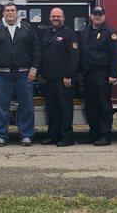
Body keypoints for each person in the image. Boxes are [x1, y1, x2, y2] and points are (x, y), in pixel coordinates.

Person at [0, 3, 41, 147]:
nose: (10, 13)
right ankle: (1, 136)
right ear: (3, 13)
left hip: (24, 74)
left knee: (26, 106)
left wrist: (33, 69)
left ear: (17, 13)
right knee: (1, 106)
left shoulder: (27, 29)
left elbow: (37, 51)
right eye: (7, 10)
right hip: (2, 76)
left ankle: (26, 135)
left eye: (12, 10)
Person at [79, 7, 117, 146]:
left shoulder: (110, 32)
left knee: (104, 106)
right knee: (90, 106)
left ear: (104, 16)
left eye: (100, 15)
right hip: (88, 74)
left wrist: (114, 74)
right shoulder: (85, 31)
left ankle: (105, 135)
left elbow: (116, 55)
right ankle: (94, 133)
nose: (97, 17)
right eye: (95, 15)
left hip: (102, 74)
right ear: (91, 16)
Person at [40, 8, 80, 147]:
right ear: (50, 18)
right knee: (52, 109)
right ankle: (53, 135)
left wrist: (68, 75)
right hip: (49, 80)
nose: (55, 18)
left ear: (63, 18)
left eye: (58, 16)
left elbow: (74, 57)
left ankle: (67, 137)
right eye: (53, 16)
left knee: (65, 109)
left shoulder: (69, 34)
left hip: (63, 80)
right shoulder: (48, 33)